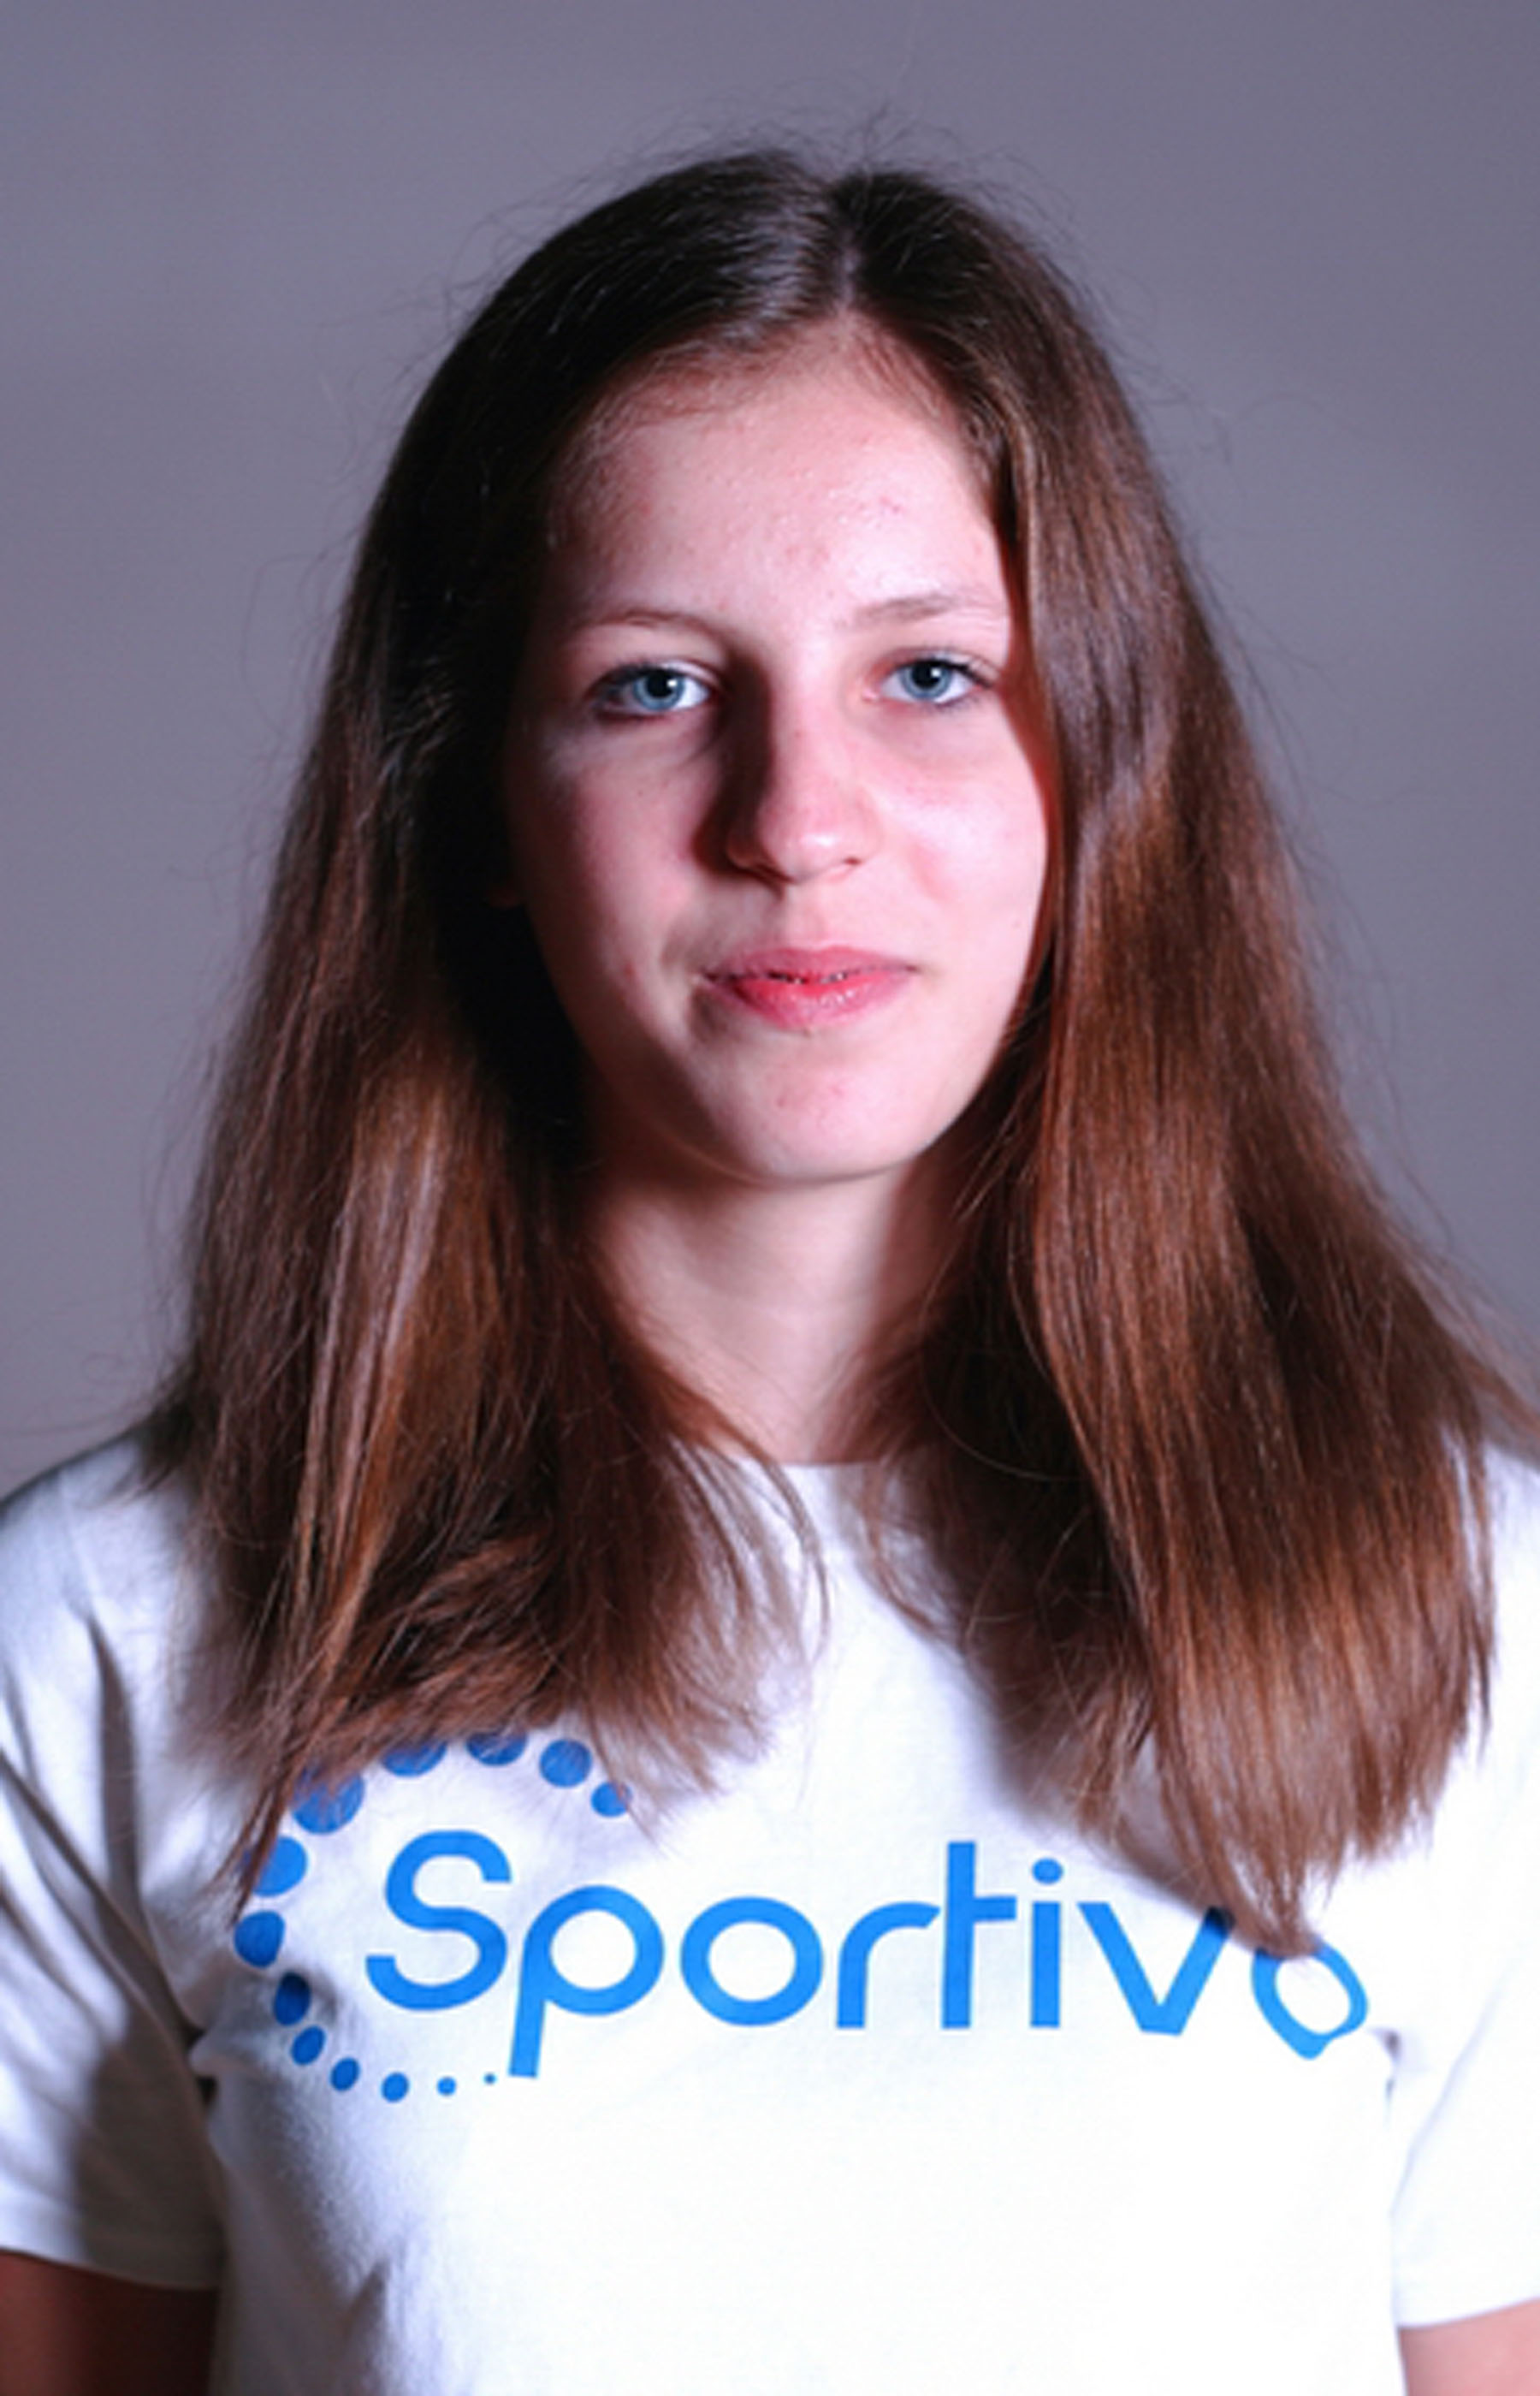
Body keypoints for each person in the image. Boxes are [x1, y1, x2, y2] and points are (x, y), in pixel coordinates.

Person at [1, 147, 1537, 2396]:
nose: (796, 818)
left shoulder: (1468, 1610)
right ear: (475, 798)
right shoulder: (108, 1638)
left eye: (929, 673)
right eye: (650, 685)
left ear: (1098, 767)